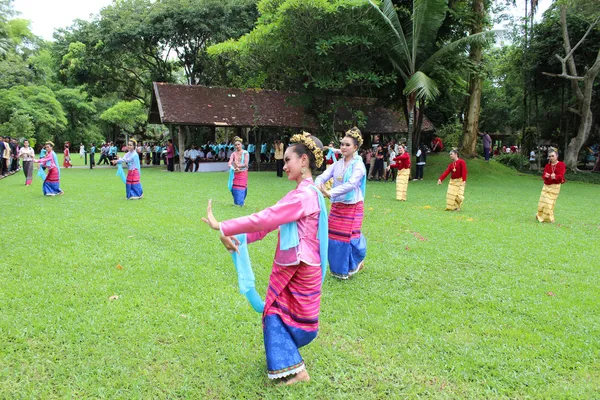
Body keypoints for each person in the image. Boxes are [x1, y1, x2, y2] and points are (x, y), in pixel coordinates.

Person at [202, 132, 327, 384]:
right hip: (298, 266)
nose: (284, 164)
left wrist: (223, 226)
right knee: (279, 313)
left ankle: (297, 371)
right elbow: (267, 226)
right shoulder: (301, 193)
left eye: (288, 159)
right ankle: (290, 363)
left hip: (298, 268)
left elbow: (266, 218)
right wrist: (237, 236)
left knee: (274, 313)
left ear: (304, 161)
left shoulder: (304, 196)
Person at [316, 127, 367, 280]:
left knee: (349, 238)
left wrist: (330, 193)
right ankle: (338, 269)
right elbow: (322, 176)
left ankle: (355, 262)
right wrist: (318, 185)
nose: (343, 147)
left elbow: (352, 184)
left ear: (355, 148)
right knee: (333, 237)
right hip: (337, 206)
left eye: (347, 145)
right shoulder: (337, 164)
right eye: (342, 144)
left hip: (352, 205)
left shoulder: (358, 165)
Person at [536, 148, 566, 223]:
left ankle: (549, 218)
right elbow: (544, 175)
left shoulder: (561, 165)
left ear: (557, 156)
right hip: (546, 186)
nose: (551, 158)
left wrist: (555, 177)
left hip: (555, 187)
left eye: (552, 156)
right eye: (550, 156)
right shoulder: (547, 166)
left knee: (549, 202)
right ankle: (540, 215)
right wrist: (545, 175)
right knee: (542, 202)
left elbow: (561, 176)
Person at [228, 136, 250, 206]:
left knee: (242, 188)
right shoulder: (233, 154)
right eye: (236, 145)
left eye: (238, 144)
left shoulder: (245, 153)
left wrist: (238, 166)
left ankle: (240, 203)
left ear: (241, 144)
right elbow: (229, 163)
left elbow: (246, 164)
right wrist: (233, 167)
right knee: (234, 188)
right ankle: (236, 202)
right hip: (235, 173)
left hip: (243, 173)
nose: (237, 146)